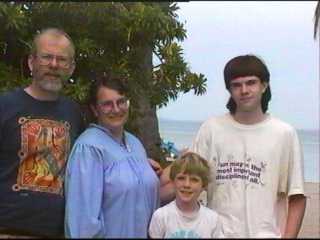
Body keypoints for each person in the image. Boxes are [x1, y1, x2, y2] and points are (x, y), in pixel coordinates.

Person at [160, 54, 306, 238]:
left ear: (264, 85)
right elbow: (184, 175)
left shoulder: (284, 134)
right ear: (229, 90)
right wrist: (146, 172)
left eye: (251, 82)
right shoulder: (211, 129)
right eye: (236, 85)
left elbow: (297, 197)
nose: (244, 90)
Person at [0, 28, 85, 238]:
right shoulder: (5, 106)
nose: (54, 65)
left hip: (57, 232)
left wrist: (137, 160)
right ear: (31, 62)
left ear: (71, 67)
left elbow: (94, 158)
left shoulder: (74, 114)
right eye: (47, 57)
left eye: (62, 60)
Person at [64, 72, 160, 238]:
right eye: (107, 104)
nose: (116, 109)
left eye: (121, 101)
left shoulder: (135, 144)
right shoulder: (89, 148)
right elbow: (84, 223)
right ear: (95, 109)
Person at [149, 152, 223, 238]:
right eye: (181, 178)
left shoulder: (212, 219)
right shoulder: (161, 216)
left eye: (194, 180)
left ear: (203, 186)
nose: (187, 185)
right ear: (173, 182)